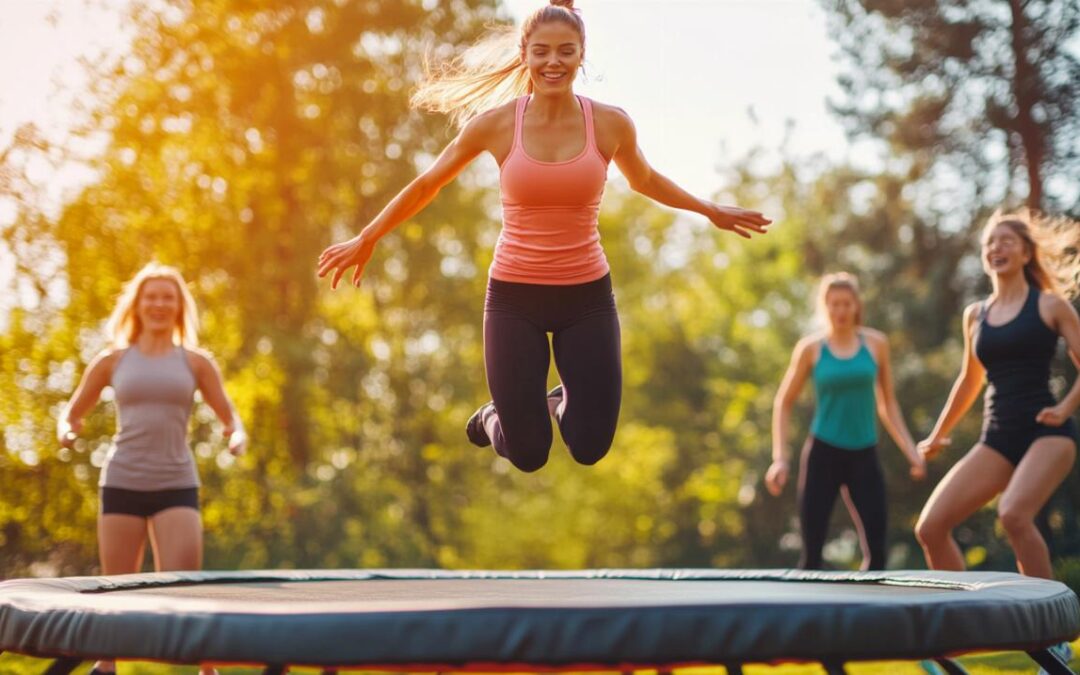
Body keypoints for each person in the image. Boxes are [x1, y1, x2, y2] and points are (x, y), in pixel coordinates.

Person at [318, 0, 770, 472]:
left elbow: (646, 180)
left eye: (565, 51)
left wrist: (710, 209)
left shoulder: (610, 123)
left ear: (581, 55)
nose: (553, 62)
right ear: (525, 54)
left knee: (589, 444)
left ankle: (556, 401)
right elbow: (429, 183)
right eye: (542, 52)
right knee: (529, 453)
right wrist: (368, 236)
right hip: (515, 299)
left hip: (587, 299)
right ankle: (494, 415)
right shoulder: (496, 125)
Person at [58, 262, 245, 675]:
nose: (159, 304)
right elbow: (71, 413)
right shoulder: (112, 361)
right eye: (152, 297)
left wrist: (235, 436)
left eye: (168, 297)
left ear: (178, 307)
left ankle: (207, 669)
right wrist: (68, 431)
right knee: (118, 597)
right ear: (137, 305)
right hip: (122, 481)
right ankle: (107, 666)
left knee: (184, 593)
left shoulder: (195, 362)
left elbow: (230, 416)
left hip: (176, 483)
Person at [915, 211, 1080, 580]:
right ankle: (964, 627)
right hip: (999, 437)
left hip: (1048, 433)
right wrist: (938, 433)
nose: (996, 247)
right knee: (931, 527)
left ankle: (1049, 634)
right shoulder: (976, 315)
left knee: (1013, 514)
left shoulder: (1049, 305)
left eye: (1006, 240)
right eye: (990, 241)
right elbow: (969, 380)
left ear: (1025, 253)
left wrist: (1064, 408)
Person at [766, 272, 926, 570]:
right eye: (833, 304)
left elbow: (888, 404)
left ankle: (871, 615)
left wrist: (911, 452)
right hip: (822, 453)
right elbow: (783, 402)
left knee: (878, 555)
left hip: (864, 454)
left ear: (856, 305)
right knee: (811, 555)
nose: (840, 311)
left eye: (845, 304)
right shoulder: (811, 349)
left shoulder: (876, 344)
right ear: (824, 308)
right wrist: (780, 459)